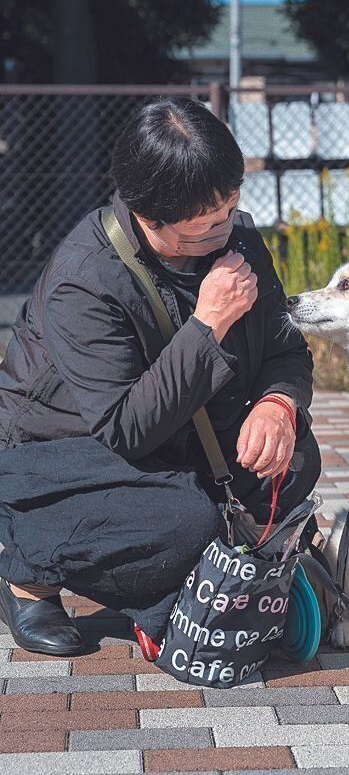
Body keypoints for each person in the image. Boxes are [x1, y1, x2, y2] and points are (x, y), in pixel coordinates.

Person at [0, 99, 321, 656]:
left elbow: (285, 349)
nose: (226, 230)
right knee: (184, 522)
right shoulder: (85, 281)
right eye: (206, 225)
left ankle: (198, 576)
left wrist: (278, 405)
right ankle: (28, 570)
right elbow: (127, 429)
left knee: (292, 459)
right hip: (59, 459)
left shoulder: (238, 239)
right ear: (150, 219)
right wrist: (208, 323)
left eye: (231, 208)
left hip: (177, 438)